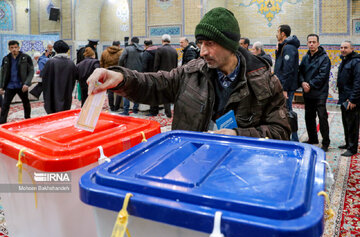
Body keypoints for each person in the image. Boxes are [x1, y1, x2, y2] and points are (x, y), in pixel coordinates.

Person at [86, 7, 290, 140]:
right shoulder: (192, 73)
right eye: (200, 43)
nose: (202, 52)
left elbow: (281, 131)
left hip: (237, 173)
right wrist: (122, 78)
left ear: (229, 46)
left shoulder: (264, 82)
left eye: (209, 44)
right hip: (190, 164)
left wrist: (239, 134)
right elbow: (156, 83)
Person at [299, 34, 331, 152]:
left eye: (313, 42)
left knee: (322, 117)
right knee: (309, 116)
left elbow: (322, 75)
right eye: (309, 42)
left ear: (318, 43)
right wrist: (302, 83)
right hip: (307, 92)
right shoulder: (305, 57)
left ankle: (326, 142)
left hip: (320, 92)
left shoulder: (324, 58)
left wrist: (310, 85)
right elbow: (300, 72)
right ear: (307, 43)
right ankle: (313, 139)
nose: (311, 44)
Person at [274, 24, 300, 141]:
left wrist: (284, 88)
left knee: (288, 112)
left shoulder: (289, 48)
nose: (276, 34)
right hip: (284, 85)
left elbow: (288, 70)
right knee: (285, 112)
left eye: (277, 32)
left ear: (283, 33)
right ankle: (289, 137)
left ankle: (293, 139)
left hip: (286, 87)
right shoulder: (284, 46)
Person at [0, 40, 34, 124]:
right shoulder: (6, 58)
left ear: (18, 48)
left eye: (15, 47)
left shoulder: (26, 57)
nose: (14, 49)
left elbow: (31, 71)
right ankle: (2, 123)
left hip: (21, 86)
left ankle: (27, 119)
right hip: (10, 86)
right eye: (12, 48)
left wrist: (27, 83)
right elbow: (2, 73)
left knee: (26, 103)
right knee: (5, 105)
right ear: (9, 48)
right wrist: (1, 86)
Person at [336, 41, 360, 156]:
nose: (343, 49)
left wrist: (353, 99)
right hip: (344, 98)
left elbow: (358, 82)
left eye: (346, 47)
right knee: (346, 122)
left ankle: (352, 148)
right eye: (341, 47)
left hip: (351, 100)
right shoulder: (345, 60)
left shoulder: (356, 62)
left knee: (352, 125)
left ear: (352, 49)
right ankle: (347, 143)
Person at [41, 40, 77, 114]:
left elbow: (44, 79)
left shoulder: (50, 62)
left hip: (52, 94)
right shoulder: (71, 63)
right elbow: (75, 78)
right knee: (64, 112)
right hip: (66, 93)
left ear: (55, 50)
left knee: (54, 114)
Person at [154, 34, 178, 118]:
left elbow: (156, 64)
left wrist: (155, 75)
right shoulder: (174, 50)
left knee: (165, 94)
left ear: (162, 41)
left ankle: (168, 113)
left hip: (162, 75)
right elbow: (176, 64)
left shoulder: (160, 50)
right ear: (170, 41)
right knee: (171, 93)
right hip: (173, 74)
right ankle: (172, 112)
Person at [118, 37, 143, 115]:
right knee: (137, 91)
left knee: (125, 91)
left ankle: (126, 110)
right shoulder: (142, 49)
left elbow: (121, 59)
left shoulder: (128, 49)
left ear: (131, 42)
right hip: (139, 73)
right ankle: (135, 109)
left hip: (128, 73)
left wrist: (121, 68)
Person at [100, 40, 123, 111]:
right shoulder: (121, 52)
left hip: (108, 73)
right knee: (119, 90)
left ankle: (111, 107)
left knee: (110, 91)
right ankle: (117, 107)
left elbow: (101, 64)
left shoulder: (104, 52)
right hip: (118, 74)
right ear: (119, 45)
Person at [142, 39, 159, 116]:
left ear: (145, 45)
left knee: (151, 93)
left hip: (149, 75)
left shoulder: (146, 53)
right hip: (158, 74)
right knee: (156, 92)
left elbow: (144, 66)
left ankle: (153, 111)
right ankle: (156, 109)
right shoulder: (158, 51)